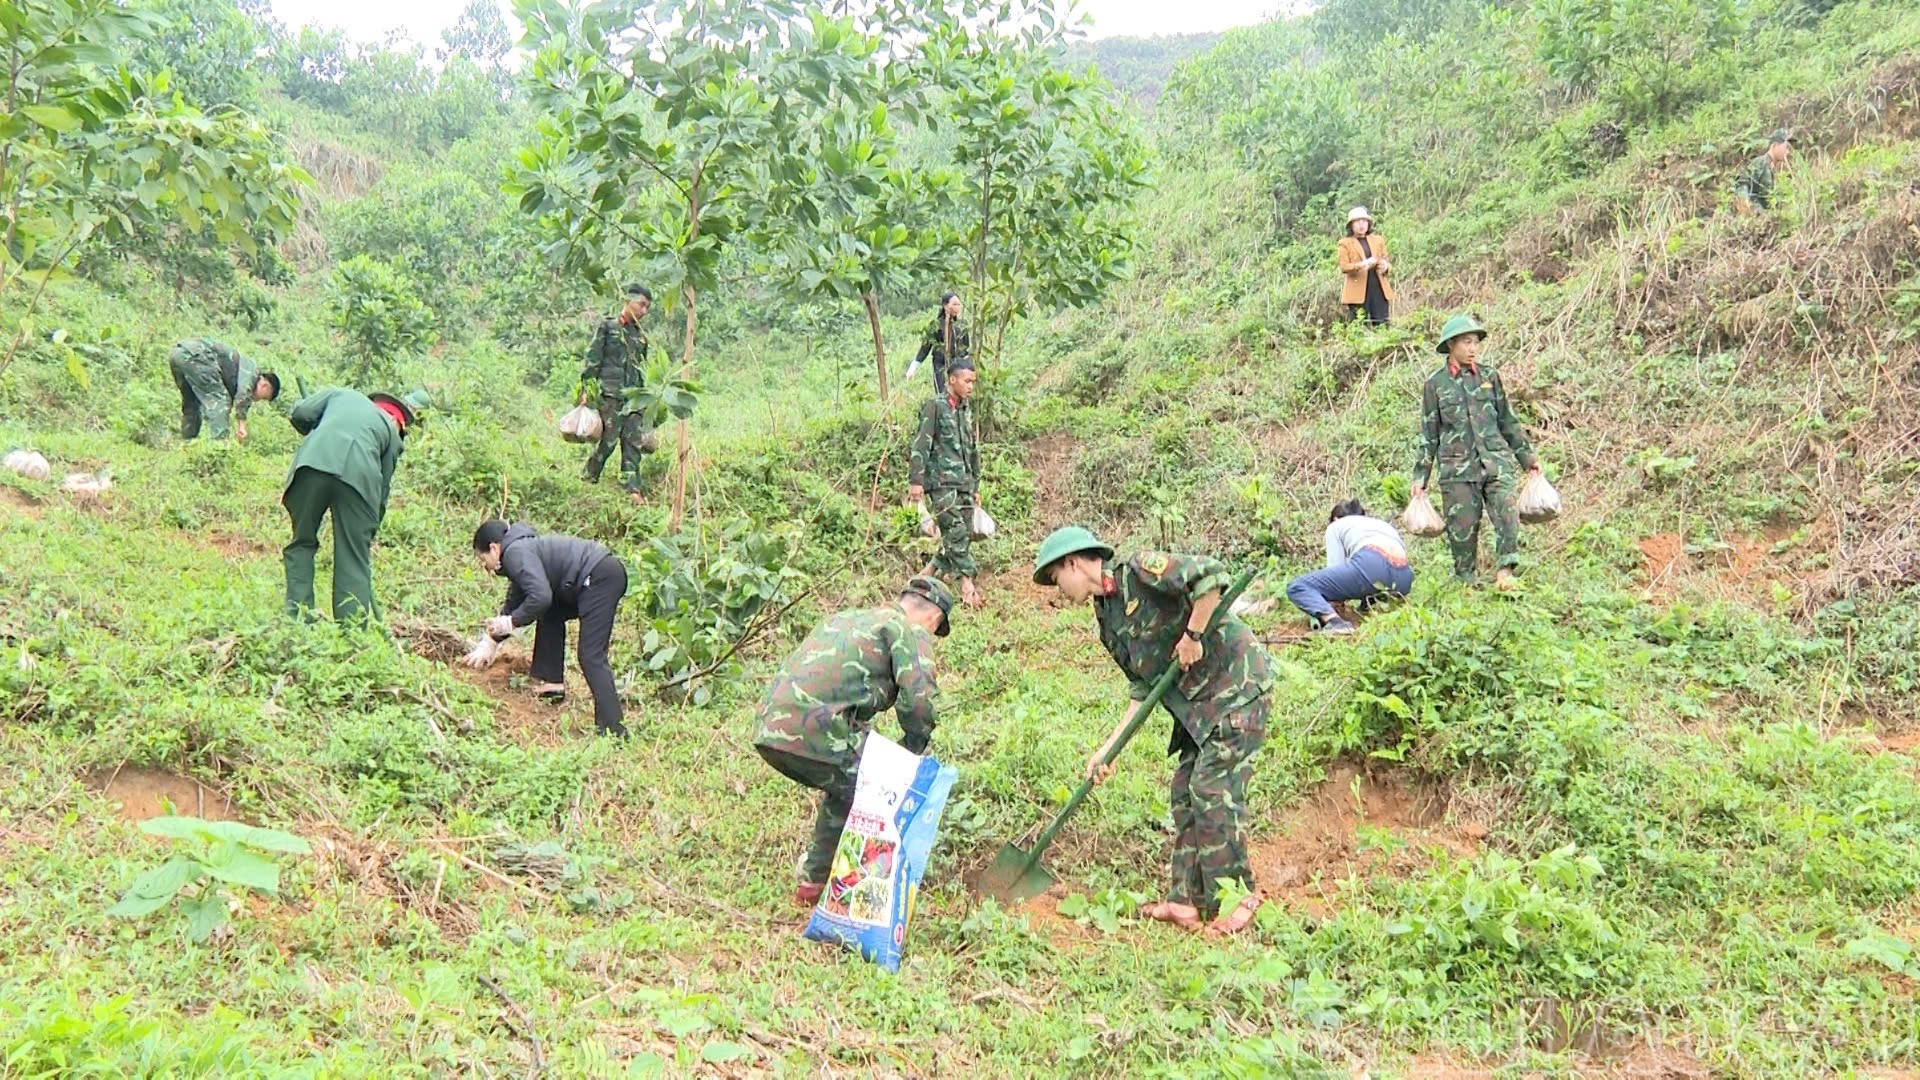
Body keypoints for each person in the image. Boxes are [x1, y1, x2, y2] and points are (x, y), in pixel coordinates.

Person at [1032, 527, 1272, 936]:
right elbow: (1142, 688)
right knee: (1184, 792)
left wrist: (1193, 635)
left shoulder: (1139, 571)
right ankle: (1185, 901)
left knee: (1213, 790)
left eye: (1056, 578)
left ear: (1073, 563)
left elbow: (1210, 578)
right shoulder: (1107, 619)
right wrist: (1107, 749)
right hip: (1198, 711)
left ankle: (1238, 897)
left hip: (1235, 688)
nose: (1059, 590)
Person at [752, 577, 953, 907]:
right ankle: (865, 896)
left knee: (851, 781)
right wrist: (914, 748)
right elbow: (919, 702)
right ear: (934, 619)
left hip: (768, 729)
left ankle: (813, 883)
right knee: (888, 782)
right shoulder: (908, 629)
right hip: (815, 732)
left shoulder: (847, 617)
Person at [466, 519, 630, 738]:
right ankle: (552, 683)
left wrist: (512, 622)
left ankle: (614, 730)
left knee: (590, 655)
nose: (485, 565)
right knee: (551, 612)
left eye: (483, 558)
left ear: (494, 548)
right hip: (589, 579)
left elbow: (540, 597)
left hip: (599, 577)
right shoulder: (521, 548)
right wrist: (491, 642)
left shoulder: (514, 552)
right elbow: (517, 601)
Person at [1411, 315, 1540, 590]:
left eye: (1476, 343)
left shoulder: (1489, 377)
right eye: (1467, 342)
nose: (1473, 348)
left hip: (1495, 462)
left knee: (1506, 512)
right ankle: (1466, 583)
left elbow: (1507, 420)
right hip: (1457, 469)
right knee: (1462, 528)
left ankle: (1505, 570)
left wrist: (1528, 459)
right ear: (1451, 345)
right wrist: (1420, 478)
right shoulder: (1435, 385)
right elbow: (1429, 434)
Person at [282, 388, 428, 624]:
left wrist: (320, 432)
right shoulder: (391, 433)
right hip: (358, 481)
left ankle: (299, 619)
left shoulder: (342, 395)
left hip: (312, 464)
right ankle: (351, 632)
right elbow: (382, 488)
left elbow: (301, 412)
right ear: (397, 421)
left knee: (301, 542)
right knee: (352, 556)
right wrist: (369, 527)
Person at [909, 357, 984, 608]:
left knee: (960, 532)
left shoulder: (964, 411)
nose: (971, 386)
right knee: (957, 531)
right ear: (952, 380)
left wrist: (974, 487)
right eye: (966, 381)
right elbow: (922, 444)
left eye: (973, 381)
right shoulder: (935, 406)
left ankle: (928, 572)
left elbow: (971, 450)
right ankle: (967, 583)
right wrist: (916, 481)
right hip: (941, 482)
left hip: (963, 482)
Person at [1285, 499, 1414, 635]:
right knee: (1366, 585)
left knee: (1297, 587)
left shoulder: (1336, 526)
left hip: (1371, 563)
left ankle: (1335, 623)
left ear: (1335, 519)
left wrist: (1330, 605)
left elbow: (1336, 569)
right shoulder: (1383, 525)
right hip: (1404, 579)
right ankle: (1369, 612)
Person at [578, 283, 655, 504]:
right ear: (627, 301)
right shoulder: (608, 325)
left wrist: (647, 398)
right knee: (609, 440)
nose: (644, 311)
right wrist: (586, 389)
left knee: (633, 443)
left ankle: (632, 489)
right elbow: (593, 358)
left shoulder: (640, 336)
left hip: (634, 397)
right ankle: (589, 476)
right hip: (610, 394)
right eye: (641, 305)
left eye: (647, 307)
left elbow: (641, 367)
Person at [168, 337, 279, 442]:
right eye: (263, 397)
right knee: (220, 401)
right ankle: (220, 446)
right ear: (265, 385)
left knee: (192, 403)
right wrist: (242, 425)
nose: (258, 400)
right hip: (196, 356)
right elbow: (243, 395)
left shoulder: (242, 373)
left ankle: (187, 443)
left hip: (178, 354)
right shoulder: (252, 371)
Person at [1336, 207, 1394, 326]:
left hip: (1378, 288)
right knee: (1358, 326)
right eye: (1357, 221)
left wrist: (1385, 266)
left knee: (1382, 323)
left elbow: (1387, 260)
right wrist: (1362, 264)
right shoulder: (1345, 243)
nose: (1361, 224)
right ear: (1351, 225)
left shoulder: (1378, 240)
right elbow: (1344, 266)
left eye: (1364, 221)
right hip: (1358, 290)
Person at [907, 292, 970, 395]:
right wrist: (913, 368)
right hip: (940, 365)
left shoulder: (962, 326)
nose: (957, 307)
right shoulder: (936, 325)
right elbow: (925, 348)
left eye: (959, 304)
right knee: (942, 395)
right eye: (954, 304)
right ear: (945, 306)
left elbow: (966, 349)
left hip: (958, 366)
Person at [1734, 129, 1792, 214]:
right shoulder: (1760, 163)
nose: (1787, 152)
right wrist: (1749, 208)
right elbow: (1742, 185)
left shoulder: (1776, 170)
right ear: (1774, 146)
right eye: (1785, 147)